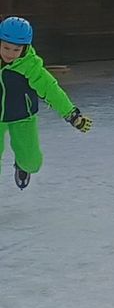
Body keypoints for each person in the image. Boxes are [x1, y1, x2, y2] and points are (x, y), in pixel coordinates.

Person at [0, 16, 92, 190]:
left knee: (32, 162)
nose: (9, 53)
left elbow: (50, 89)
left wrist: (71, 114)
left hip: (23, 116)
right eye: (5, 47)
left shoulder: (30, 66)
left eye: (16, 49)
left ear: (25, 48)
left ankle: (22, 166)